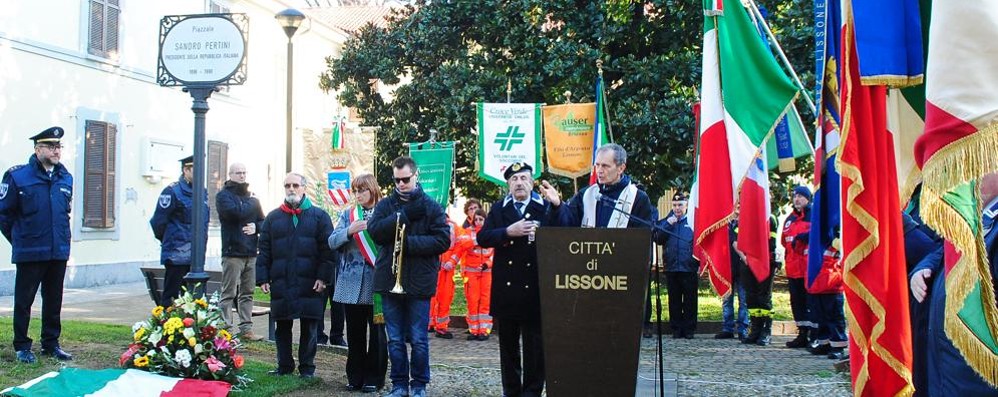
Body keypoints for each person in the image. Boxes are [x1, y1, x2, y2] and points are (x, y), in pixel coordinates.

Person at [367, 156, 450, 397]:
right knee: (394, 338)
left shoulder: (431, 206)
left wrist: (408, 244)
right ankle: (399, 384)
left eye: (406, 179)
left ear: (416, 176)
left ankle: (419, 385)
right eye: (397, 180)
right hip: (389, 279)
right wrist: (401, 217)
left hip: (419, 281)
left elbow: (443, 240)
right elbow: (375, 232)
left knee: (418, 338)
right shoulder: (386, 205)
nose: (401, 184)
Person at [910, 173, 998, 395]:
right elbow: (946, 248)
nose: (970, 178)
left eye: (981, 168)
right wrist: (924, 266)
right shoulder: (973, 217)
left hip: (977, 382)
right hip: (947, 374)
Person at [478, 161, 554, 397]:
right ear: (508, 184)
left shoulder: (546, 207)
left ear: (531, 182)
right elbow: (483, 237)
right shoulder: (500, 208)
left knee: (535, 348)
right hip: (507, 289)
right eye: (514, 179)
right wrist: (507, 232)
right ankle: (511, 391)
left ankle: (531, 392)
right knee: (508, 348)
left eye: (523, 178)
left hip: (536, 287)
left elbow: (563, 230)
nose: (519, 183)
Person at [0, 126, 74, 363]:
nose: (56, 151)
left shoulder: (65, 177)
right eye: (51, 146)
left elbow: (65, 212)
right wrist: (20, 239)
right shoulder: (18, 176)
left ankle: (51, 344)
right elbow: (4, 214)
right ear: (37, 148)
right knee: (24, 301)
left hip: (58, 250)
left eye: (58, 146)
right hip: (30, 251)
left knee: (54, 300)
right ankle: (22, 345)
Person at [256, 173, 335, 379]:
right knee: (282, 325)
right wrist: (262, 277)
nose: (291, 189)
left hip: (310, 281)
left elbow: (328, 251)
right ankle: (284, 366)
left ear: (304, 188)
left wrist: (323, 277)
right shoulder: (273, 218)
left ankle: (307, 368)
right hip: (282, 279)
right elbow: (264, 249)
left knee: (309, 325)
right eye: (287, 185)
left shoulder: (320, 217)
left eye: (295, 185)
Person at [329, 174, 388, 393]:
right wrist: (349, 231)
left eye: (362, 190)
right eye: (355, 191)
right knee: (354, 333)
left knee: (377, 334)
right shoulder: (348, 215)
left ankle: (375, 377)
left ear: (372, 190)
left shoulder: (385, 212)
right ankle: (355, 376)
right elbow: (332, 241)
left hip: (377, 283)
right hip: (351, 284)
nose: (358, 195)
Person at [539, 143, 653, 228]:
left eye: (605, 166)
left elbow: (642, 240)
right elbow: (568, 223)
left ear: (621, 168)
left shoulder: (637, 198)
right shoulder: (586, 194)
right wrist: (557, 205)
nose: (599, 170)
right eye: (597, 165)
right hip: (588, 258)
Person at [215, 163, 265, 341]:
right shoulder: (223, 196)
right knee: (228, 292)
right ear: (230, 175)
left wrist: (255, 227)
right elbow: (235, 213)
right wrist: (252, 202)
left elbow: (263, 222)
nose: (242, 176)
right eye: (238, 173)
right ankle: (225, 328)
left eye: (244, 172)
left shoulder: (252, 199)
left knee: (248, 292)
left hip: (250, 252)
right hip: (232, 252)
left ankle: (246, 329)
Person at [150, 155, 209, 307]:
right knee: (171, 297)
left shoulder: (202, 192)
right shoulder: (172, 191)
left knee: (192, 301)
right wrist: (171, 240)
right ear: (186, 170)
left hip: (196, 255)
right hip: (177, 254)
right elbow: (158, 222)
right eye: (195, 170)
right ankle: (168, 327)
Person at [653, 192, 698, 339]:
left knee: (690, 300)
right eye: (674, 205)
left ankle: (689, 329)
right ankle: (676, 329)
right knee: (674, 300)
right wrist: (668, 224)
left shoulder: (692, 222)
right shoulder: (667, 221)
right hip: (672, 267)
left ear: (686, 206)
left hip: (688, 267)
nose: (677, 208)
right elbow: (657, 238)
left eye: (680, 205)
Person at [738, 213, 780, 346]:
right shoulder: (745, 218)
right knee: (751, 297)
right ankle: (755, 329)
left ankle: (766, 331)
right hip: (747, 262)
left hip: (765, 262)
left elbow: (771, 243)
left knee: (763, 297)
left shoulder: (769, 217)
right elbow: (738, 238)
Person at [782, 185, 815, 348]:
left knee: (811, 304)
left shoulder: (814, 216)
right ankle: (802, 333)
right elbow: (784, 241)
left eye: (801, 196)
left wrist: (804, 237)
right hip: (793, 269)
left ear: (808, 199)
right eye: (795, 196)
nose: (797, 199)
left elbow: (819, 235)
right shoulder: (789, 220)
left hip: (809, 269)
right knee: (797, 303)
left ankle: (814, 335)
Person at [458, 208, 494, 341]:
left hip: (486, 272)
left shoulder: (490, 233)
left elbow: (495, 253)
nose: (478, 222)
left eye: (481, 219)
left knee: (486, 301)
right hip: (471, 272)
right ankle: (473, 330)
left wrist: (487, 264)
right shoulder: (468, 232)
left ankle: (484, 330)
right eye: (476, 219)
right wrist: (478, 240)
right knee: (472, 301)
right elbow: (462, 244)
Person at [429, 215, 461, 339]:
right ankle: (429, 323)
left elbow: (460, 245)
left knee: (445, 297)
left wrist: (452, 261)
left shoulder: (453, 225)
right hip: (432, 267)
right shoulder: (429, 222)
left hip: (447, 269)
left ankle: (441, 326)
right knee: (430, 296)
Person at [718, 214, 749, 340]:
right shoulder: (723, 224)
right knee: (726, 300)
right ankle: (727, 328)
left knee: (744, 300)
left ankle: (743, 328)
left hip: (742, 267)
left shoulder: (746, 224)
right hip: (726, 267)